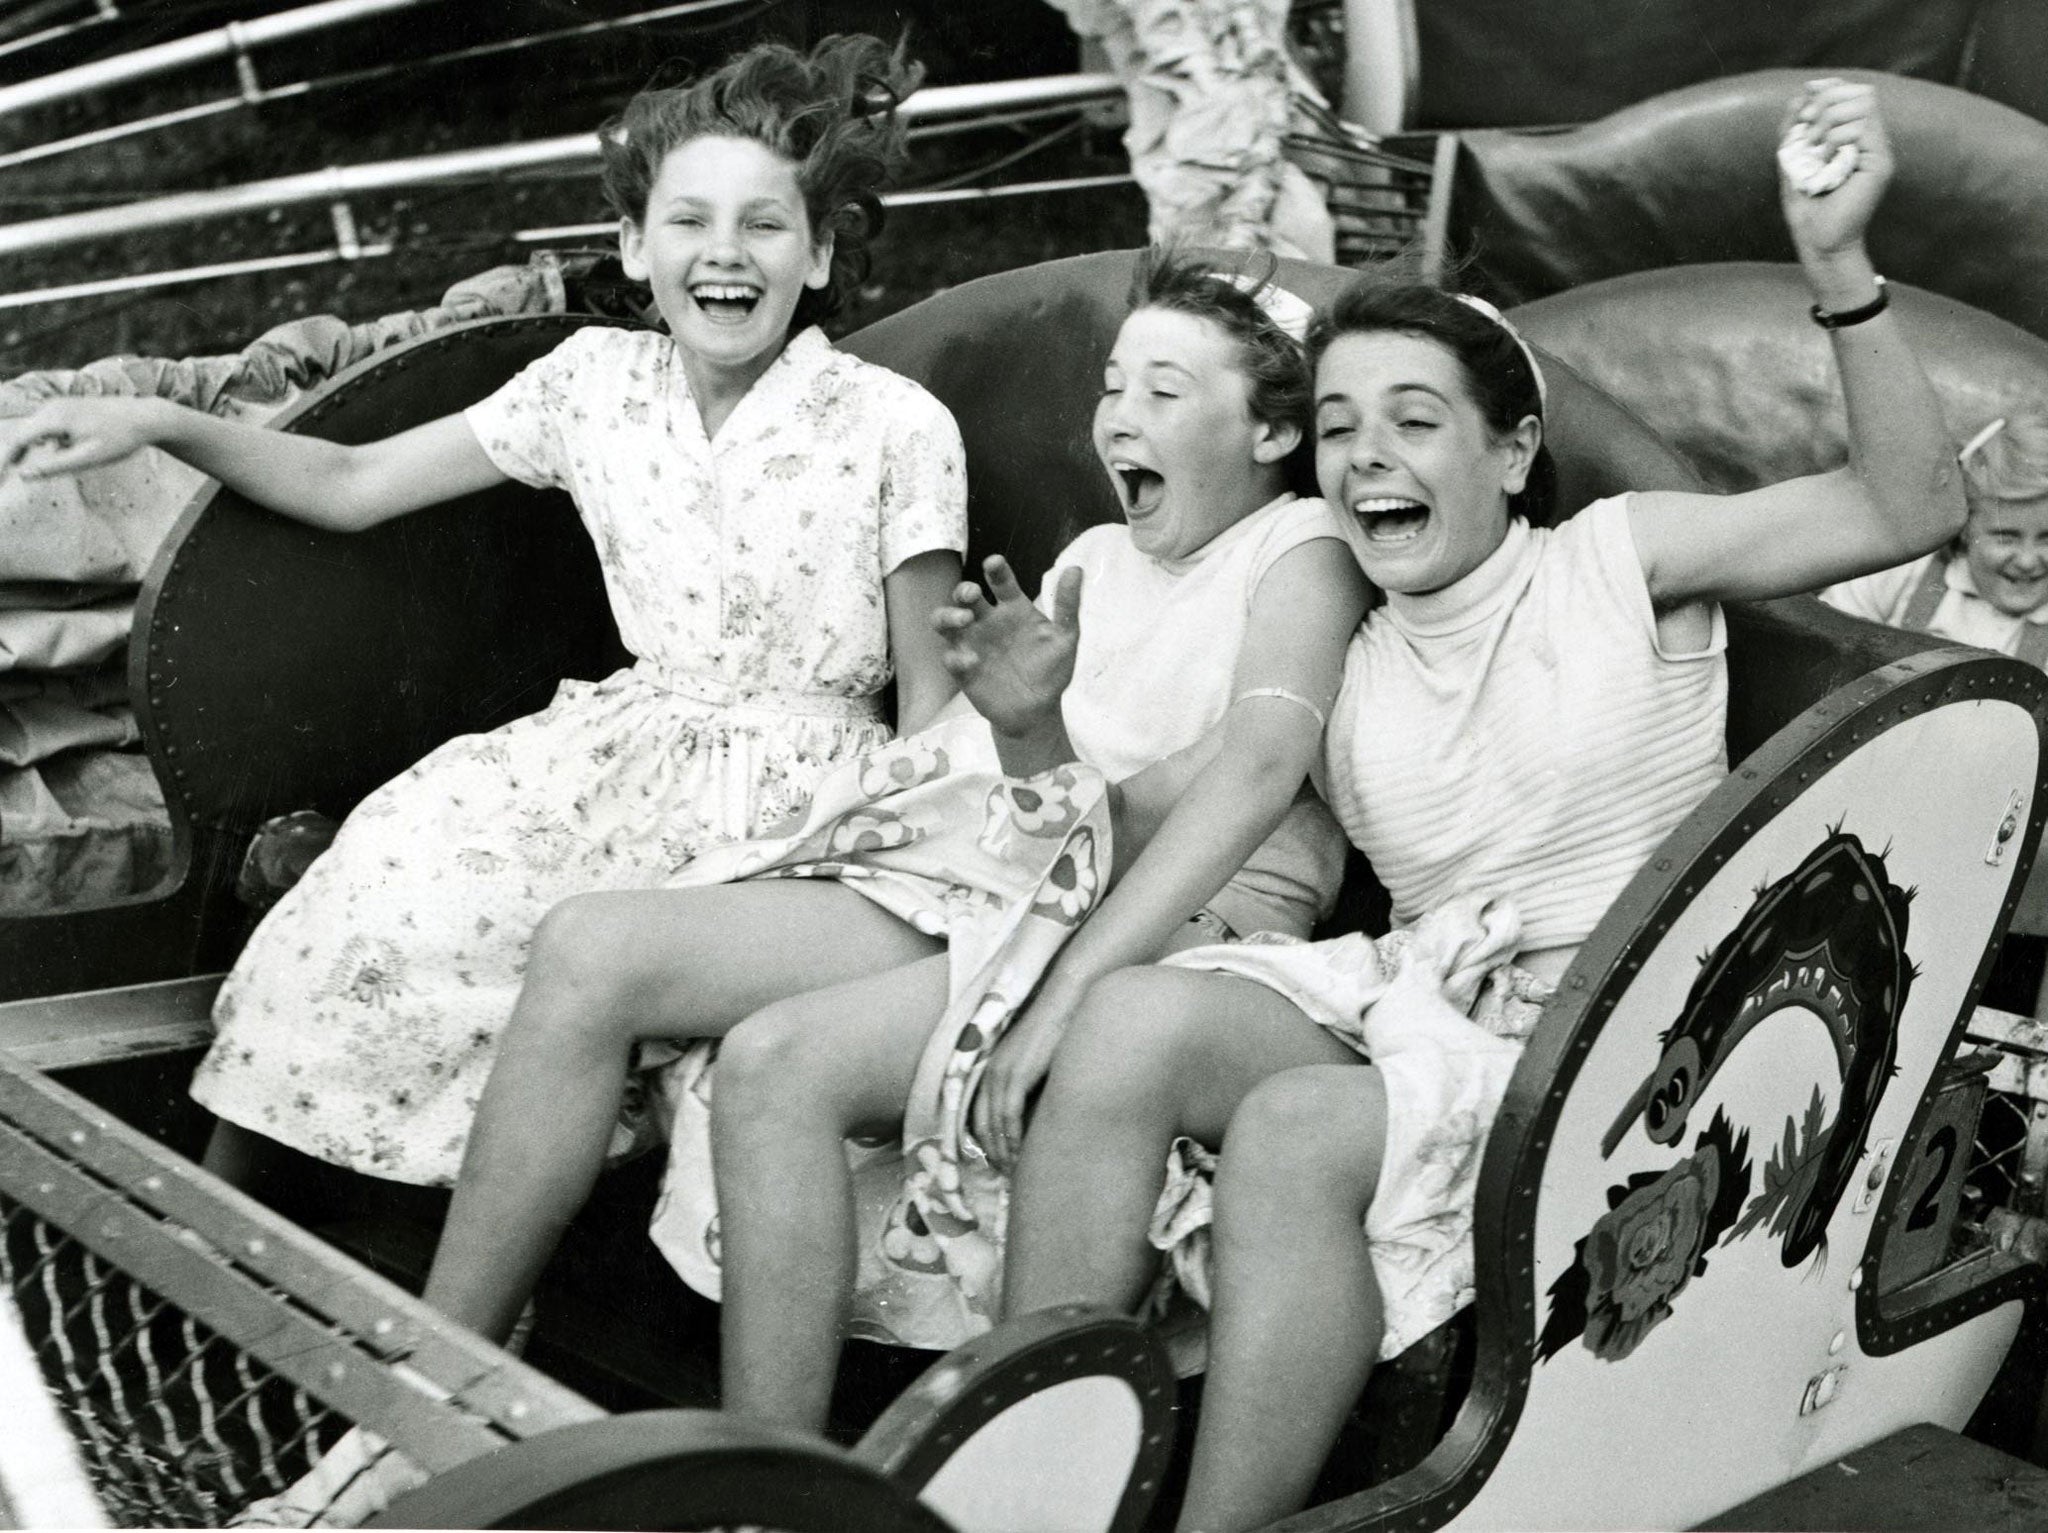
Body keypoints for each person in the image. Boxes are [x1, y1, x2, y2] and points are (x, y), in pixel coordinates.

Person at [983, 79, 1965, 1532]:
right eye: (1336, 427)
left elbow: (1908, 507)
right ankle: (1025, 1499)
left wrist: (1837, 267)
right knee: (1128, 1024)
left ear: (1509, 456)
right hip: (1426, 1000)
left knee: (1304, 1131)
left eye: (1414, 421)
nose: (1367, 452)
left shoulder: (1615, 560)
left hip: (1634, 1031)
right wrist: (1029, 788)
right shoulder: (1339, 635)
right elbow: (1184, 797)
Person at [0, 35, 970, 1193]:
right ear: (632, 245)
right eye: (687, 222)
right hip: (622, 755)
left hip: (807, 791)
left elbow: (930, 707)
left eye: (764, 225)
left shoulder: (892, 425)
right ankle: (241, 1229)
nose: (724, 254)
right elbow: (354, 486)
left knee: (568, 971)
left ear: (816, 255)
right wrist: (165, 427)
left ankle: (493, 1285)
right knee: (374, 890)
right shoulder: (593, 383)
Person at [1822, 412, 2048, 663]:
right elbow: (1826, 640)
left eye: (2047, 539)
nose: (2028, 561)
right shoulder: (1904, 571)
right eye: (2006, 537)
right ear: (1965, 527)